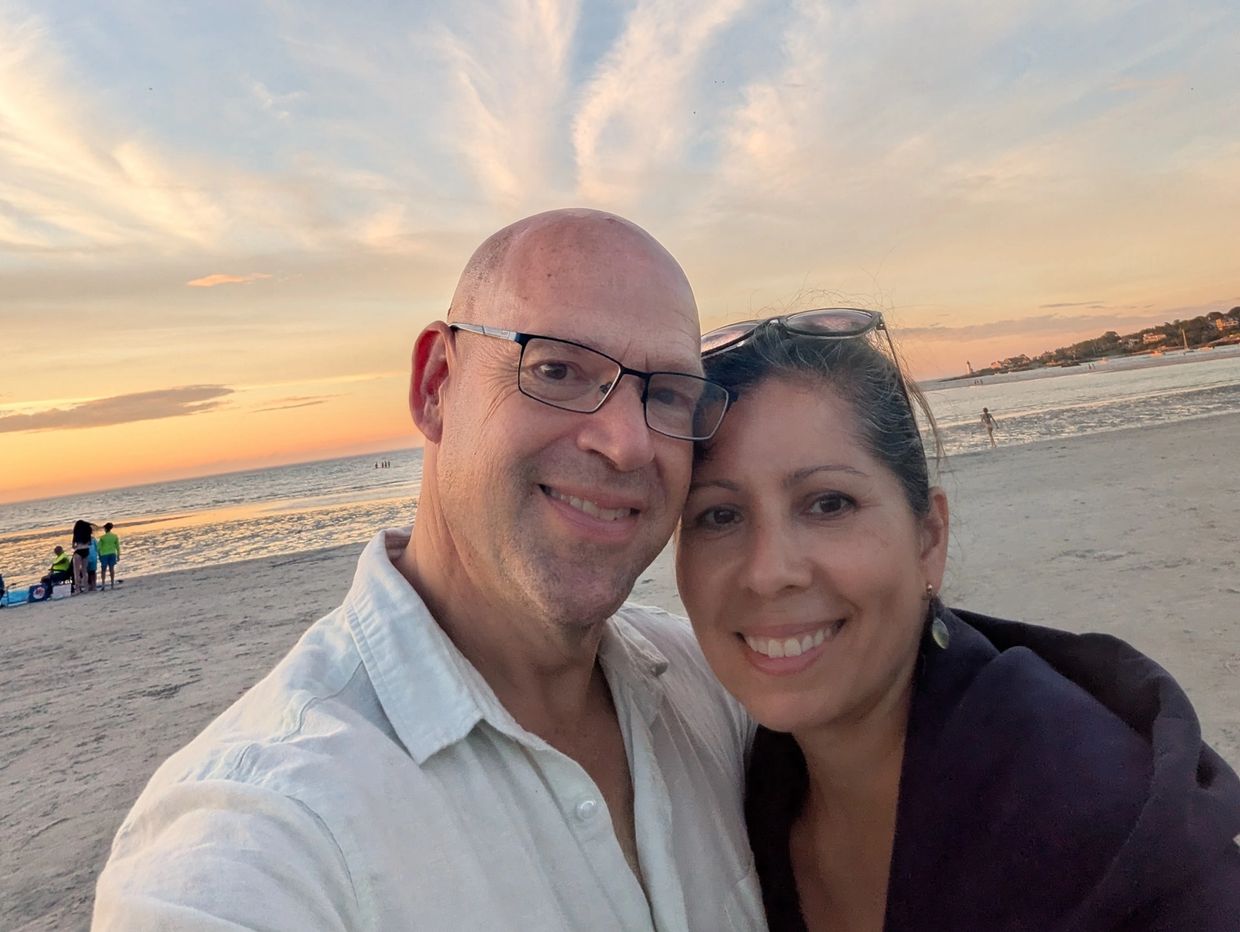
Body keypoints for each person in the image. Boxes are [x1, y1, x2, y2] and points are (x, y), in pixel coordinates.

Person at [94, 209, 764, 930]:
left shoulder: (715, 692)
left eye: (666, 393)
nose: (628, 444)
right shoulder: (269, 830)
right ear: (437, 386)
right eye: (558, 370)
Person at [675, 308, 1240, 931]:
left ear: (929, 537)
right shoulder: (738, 801)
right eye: (718, 515)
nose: (768, 571)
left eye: (828, 503)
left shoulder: (1101, 833)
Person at [70, 519, 92, 595]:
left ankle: (78, 589)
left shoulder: (76, 534)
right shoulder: (87, 534)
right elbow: (89, 543)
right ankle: (86, 588)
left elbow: (73, 546)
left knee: (76, 572)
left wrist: (77, 546)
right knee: (84, 571)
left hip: (78, 552)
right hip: (86, 551)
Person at [97, 522, 120, 590]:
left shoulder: (102, 538)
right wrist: (118, 555)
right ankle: (112, 584)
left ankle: (103, 584)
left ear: (105, 529)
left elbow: (98, 548)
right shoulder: (115, 536)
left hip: (104, 554)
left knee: (103, 570)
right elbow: (117, 547)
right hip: (112, 553)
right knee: (111, 569)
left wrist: (99, 555)